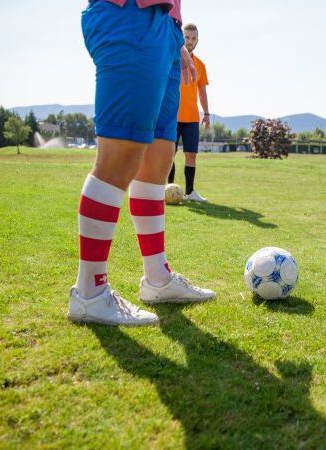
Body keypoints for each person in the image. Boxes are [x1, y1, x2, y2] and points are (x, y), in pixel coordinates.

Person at [69, 0, 216, 327]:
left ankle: (157, 280)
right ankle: (89, 294)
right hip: (130, 13)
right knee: (120, 156)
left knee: (158, 161)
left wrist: (175, 39)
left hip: (167, 29)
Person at [167, 23, 210, 202]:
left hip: (192, 117)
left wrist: (206, 114)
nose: (190, 41)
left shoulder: (200, 65)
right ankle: (167, 189)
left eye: (193, 38)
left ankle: (190, 192)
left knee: (191, 154)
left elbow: (202, 91)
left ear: (197, 41)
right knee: (169, 154)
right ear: (181, 37)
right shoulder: (171, 59)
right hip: (171, 115)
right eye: (187, 37)